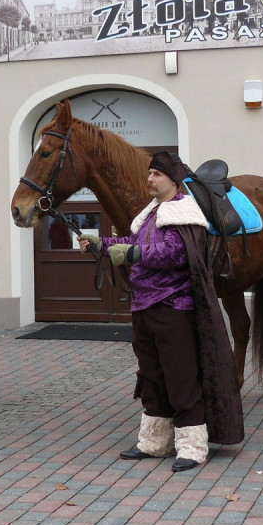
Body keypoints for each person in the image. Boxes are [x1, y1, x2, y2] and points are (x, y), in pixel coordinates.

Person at [78, 152, 243, 472]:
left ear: (172, 180)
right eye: (150, 173)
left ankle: (192, 446)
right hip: (143, 306)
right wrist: (100, 244)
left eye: (156, 174)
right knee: (152, 375)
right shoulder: (153, 213)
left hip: (173, 307)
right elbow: (132, 241)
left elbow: (175, 253)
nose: (150, 179)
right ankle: (155, 442)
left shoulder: (185, 213)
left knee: (181, 377)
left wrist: (133, 253)